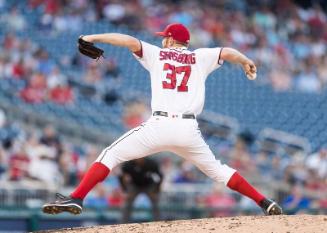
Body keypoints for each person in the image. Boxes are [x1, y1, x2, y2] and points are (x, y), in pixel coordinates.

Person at [42, 23, 282, 216]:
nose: (161, 40)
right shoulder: (200, 57)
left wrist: (92, 37)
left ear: (169, 40)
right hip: (189, 129)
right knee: (219, 171)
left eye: (163, 37)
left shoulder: (158, 53)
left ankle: (77, 197)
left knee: (111, 155)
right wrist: (246, 61)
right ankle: (264, 201)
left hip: (160, 125)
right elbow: (227, 52)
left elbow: (128, 40)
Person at [119, 158, 162, 222]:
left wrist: (156, 190)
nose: (139, 159)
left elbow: (160, 176)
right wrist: (125, 190)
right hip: (134, 185)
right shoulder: (128, 164)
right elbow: (121, 176)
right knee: (127, 204)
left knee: (155, 203)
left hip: (148, 185)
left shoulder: (151, 163)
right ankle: (123, 222)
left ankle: (158, 222)